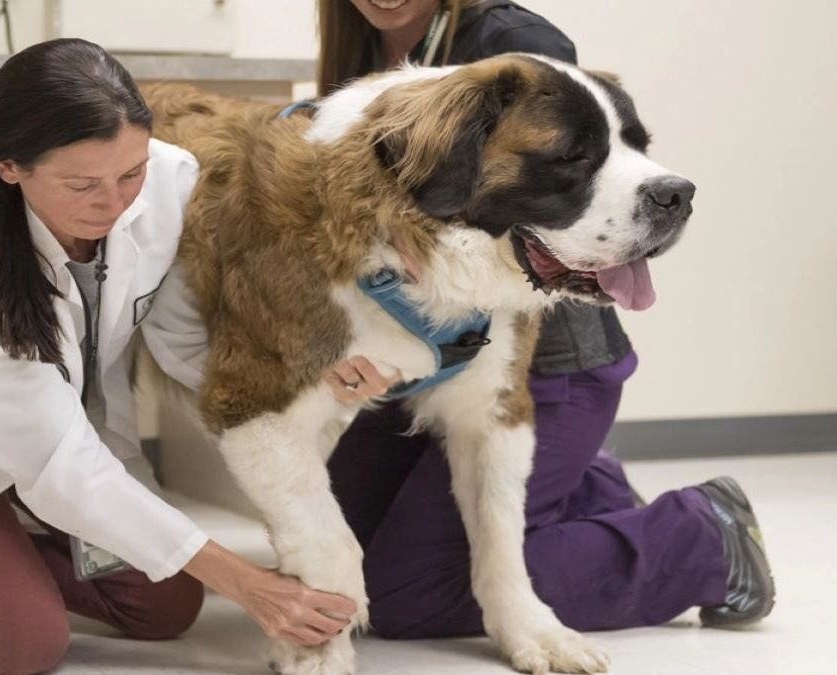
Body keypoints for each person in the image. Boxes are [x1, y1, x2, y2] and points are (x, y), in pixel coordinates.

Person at [0, 38, 355, 675]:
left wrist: (308, 377)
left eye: (130, 173)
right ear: (9, 168)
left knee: (167, 607)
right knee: (22, 649)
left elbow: (184, 345)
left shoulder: (170, 181)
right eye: (82, 184)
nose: (117, 203)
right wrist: (246, 583)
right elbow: (53, 461)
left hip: (51, 443)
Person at [318, 0, 775, 639]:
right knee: (336, 547)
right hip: (425, 366)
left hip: (536, 375)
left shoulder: (513, 42)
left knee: (404, 593)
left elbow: (580, 194)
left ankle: (698, 538)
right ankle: (590, 494)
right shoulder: (365, 47)